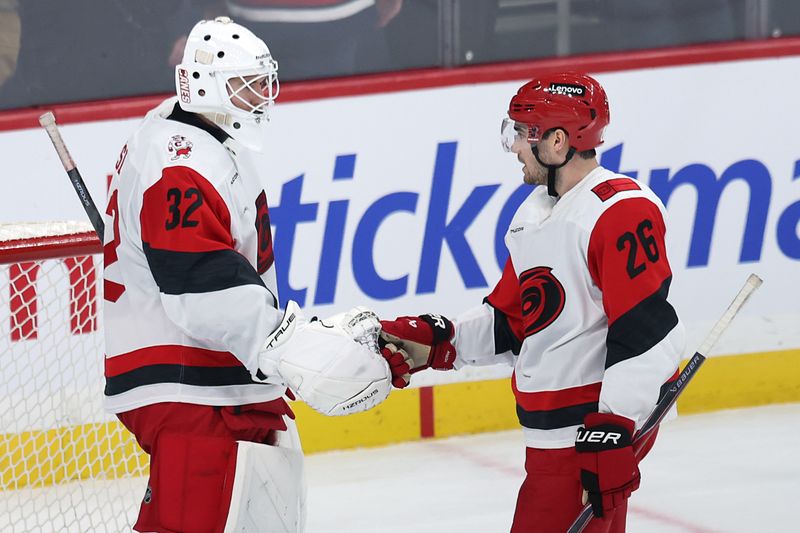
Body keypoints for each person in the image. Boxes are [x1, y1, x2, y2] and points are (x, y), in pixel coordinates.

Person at [103, 16, 392, 533]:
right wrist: (285, 344)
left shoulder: (191, 136)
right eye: (245, 83)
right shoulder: (180, 165)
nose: (262, 94)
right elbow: (198, 285)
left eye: (263, 80)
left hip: (217, 383)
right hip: (191, 385)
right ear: (201, 86)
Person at [379, 72, 686, 533]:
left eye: (523, 134)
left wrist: (614, 426)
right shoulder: (536, 213)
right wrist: (444, 342)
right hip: (550, 441)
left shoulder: (619, 211)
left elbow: (646, 329)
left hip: (583, 436)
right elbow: (514, 320)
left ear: (558, 141)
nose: (515, 147)